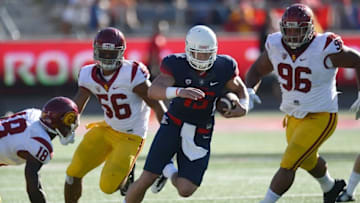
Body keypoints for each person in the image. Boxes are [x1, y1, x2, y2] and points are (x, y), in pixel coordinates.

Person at [245, 3, 360, 203]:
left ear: (309, 29)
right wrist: (248, 89)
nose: (292, 35)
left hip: (321, 116)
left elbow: (357, 60)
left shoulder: (325, 46)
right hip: (292, 116)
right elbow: (257, 70)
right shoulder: (275, 44)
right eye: (288, 30)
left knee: (289, 161)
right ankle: (331, 187)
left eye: (297, 30)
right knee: (307, 158)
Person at [124, 25, 249, 203]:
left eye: (207, 53)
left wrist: (243, 106)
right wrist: (178, 92)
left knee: (186, 189)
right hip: (173, 124)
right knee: (147, 178)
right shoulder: (176, 64)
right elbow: (153, 91)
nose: (203, 58)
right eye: (198, 53)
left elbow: (240, 89)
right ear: (189, 50)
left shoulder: (224, 66)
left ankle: (168, 169)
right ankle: (161, 169)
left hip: (201, 129)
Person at [64, 27, 166, 203]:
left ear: (121, 53)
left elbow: (155, 102)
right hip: (107, 128)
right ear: (96, 51)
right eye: (103, 52)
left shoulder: (132, 73)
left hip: (131, 136)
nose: (107, 58)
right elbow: (77, 103)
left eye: (112, 53)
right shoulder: (88, 74)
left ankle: (128, 173)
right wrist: (68, 124)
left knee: (108, 187)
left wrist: (167, 131)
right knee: (73, 173)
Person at [0, 96, 79, 203]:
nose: (71, 125)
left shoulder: (34, 114)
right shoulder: (40, 142)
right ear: (56, 122)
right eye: (69, 120)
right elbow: (32, 184)